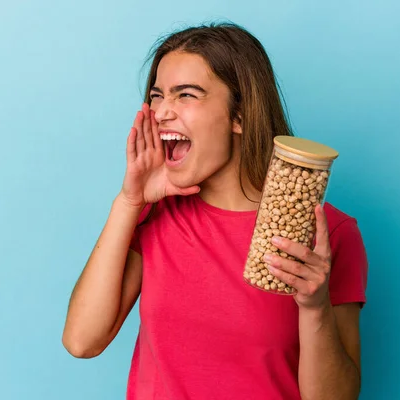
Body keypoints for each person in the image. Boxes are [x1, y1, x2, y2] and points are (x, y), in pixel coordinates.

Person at [62, 22, 368, 400]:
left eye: (186, 95)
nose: (160, 113)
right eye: (157, 95)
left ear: (239, 115)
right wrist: (129, 202)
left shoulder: (325, 233)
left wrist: (315, 305)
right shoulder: (155, 213)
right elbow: (82, 340)